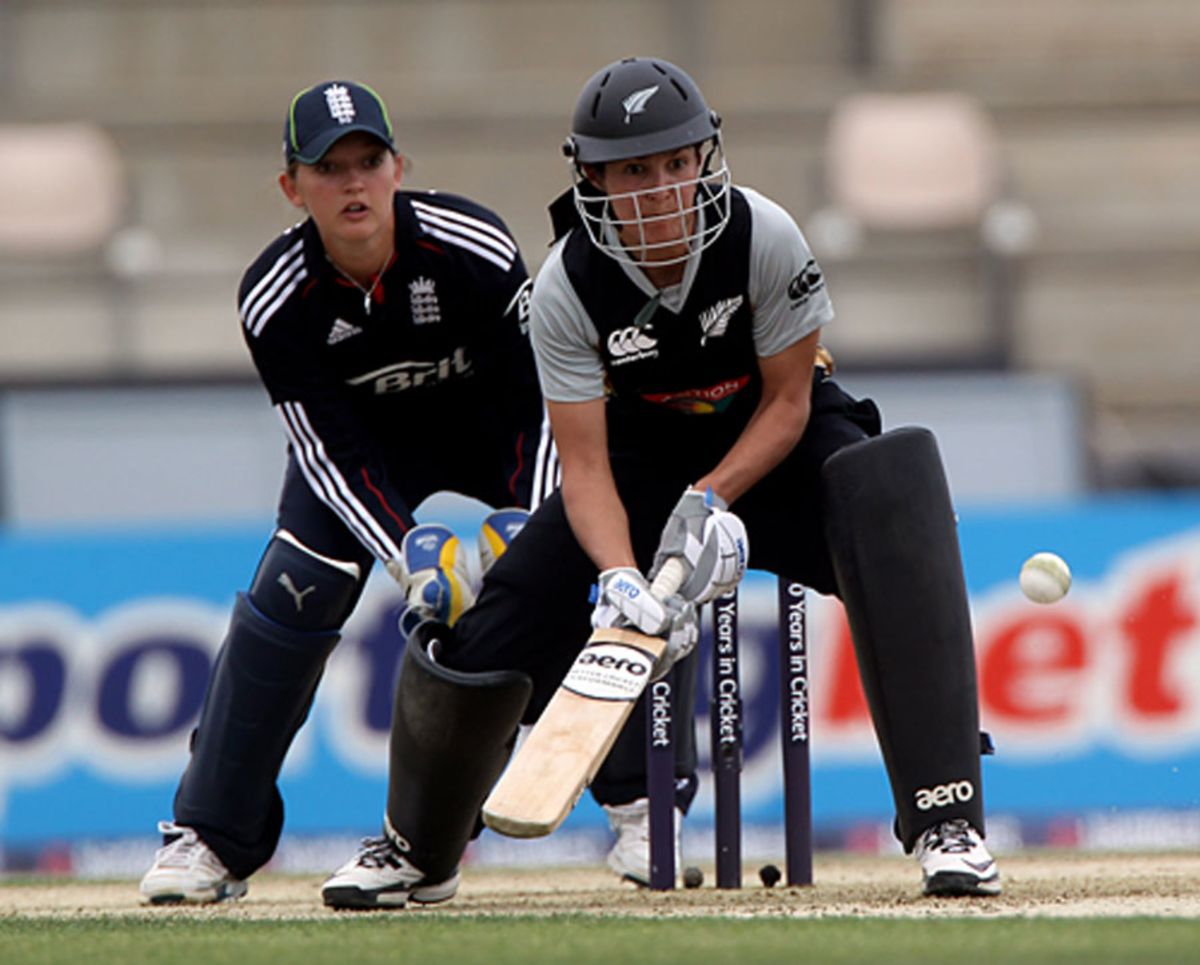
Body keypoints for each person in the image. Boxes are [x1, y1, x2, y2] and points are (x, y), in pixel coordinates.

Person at [319, 57, 1001, 910]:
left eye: (679, 162)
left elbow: (791, 399)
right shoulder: (566, 284)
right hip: (639, 468)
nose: (664, 188)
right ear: (593, 177)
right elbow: (588, 465)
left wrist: (713, 497)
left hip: (775, 447)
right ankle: (419, 846)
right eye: (637, 170)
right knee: (500, 614)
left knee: (891, 483)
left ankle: (949, 821)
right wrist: (615, 575)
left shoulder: (765, 234)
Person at [137, 79, 559, 904]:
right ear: (292, 188)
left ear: (400, 167)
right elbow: (326, 453)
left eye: (369, 161)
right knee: (298, 584)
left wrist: (531, 523)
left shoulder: (473, 245)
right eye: (329, 169)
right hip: (364, 461)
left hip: (488, 438)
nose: (354, 183)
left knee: (571, 557)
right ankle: (211, 838)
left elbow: (543, 399)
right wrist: (410, 549)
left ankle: (636, 803)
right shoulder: (275, 297)